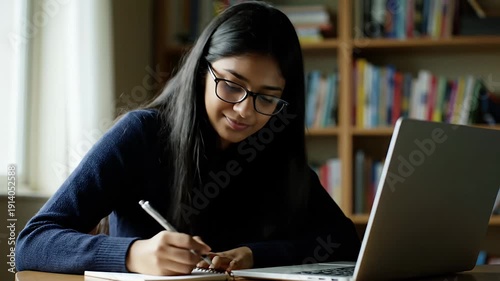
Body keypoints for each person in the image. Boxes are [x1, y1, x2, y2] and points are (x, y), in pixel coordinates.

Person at [16, 1, 361, 276]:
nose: (244, 110)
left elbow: (344, 241)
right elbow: (31, 242)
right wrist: (134, 254)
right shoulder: (141, 134)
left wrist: (257, 255)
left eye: (267, 97)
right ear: (200, 73)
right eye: (230, 85)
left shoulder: (272, 147)